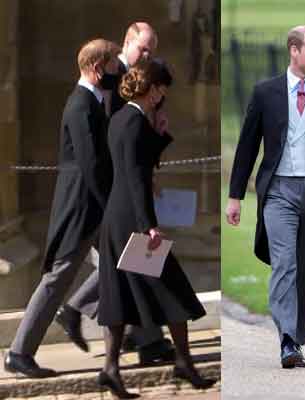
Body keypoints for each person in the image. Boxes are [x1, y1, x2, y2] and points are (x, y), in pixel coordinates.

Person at [225, 25, 305, 368]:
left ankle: (297, 337)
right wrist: (235, 196)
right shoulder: (265, 92)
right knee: (284, 263)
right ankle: (286, 340)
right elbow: (248, 145)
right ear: (294, 51)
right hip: (278, 191)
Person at [55, 22, 174, 366]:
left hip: (125, 181)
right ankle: (84, 314)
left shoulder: (134, 78)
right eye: (144, 48)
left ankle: (144, 339)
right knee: (130, 259)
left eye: (153, 50)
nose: (148, 55)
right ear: (127, 42)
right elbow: (114, 138)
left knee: (132, 262)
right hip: (110, 187)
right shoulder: (111, 76)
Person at [96, 59, 215, 398]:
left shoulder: (123, 118)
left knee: (120, 295)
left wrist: (159, 131)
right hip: (132, 220)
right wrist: (149, 225)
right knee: (174, 288)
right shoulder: (133, 121)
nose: (163, 96)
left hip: (117, 217)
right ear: (152, 89)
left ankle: (111, 369)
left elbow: (140, 160)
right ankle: (182, 362)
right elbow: (136, 177)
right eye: (162, 90)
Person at [3, 39, 120, 379]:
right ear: (97, 68)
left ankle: (78, 312)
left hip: (94, 207)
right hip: (82, 209)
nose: (118, 72)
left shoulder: (94, 101)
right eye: (113, 67)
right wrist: (114, 205)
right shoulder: (81, 105)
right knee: (58, 277)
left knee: (128, 263)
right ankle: (19, 352)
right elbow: (91, 165)